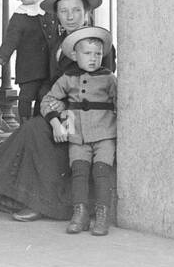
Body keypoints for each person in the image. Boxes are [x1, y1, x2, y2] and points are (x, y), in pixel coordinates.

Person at [0, 0, 115, 224]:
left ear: (87, 13)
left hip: (87, 117)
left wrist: (63, 104)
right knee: (25, 134)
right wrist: (51, 100)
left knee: (34, 131)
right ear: (56, 15)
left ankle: (4, 199)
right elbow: (52, 80)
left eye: (76, 10)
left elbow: (101, 83)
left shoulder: (97, 44)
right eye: (63, 11)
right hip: (59, 109)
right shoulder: (58, 44)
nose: (70, 17)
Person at [41, 26, 117, 236]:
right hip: (77, 134)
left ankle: (102, 215)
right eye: (87, 53)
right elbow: (48, 100)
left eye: (98, 54)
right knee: (79, 173)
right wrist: (56, 123)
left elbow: (120, 103)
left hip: (105, 133)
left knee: (102, 172)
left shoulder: (109, 78)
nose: (93, 58)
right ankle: (80, 213)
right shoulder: (68, 78)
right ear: (74, 55)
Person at [0, 0, 53, 122]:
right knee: (26, 96)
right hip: (29, 67)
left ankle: (40, 124)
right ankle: (25, 124)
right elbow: (10, 40)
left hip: (50, 65)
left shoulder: (50, 9)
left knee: (44, 96)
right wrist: (1, 57)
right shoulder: (19, 17)